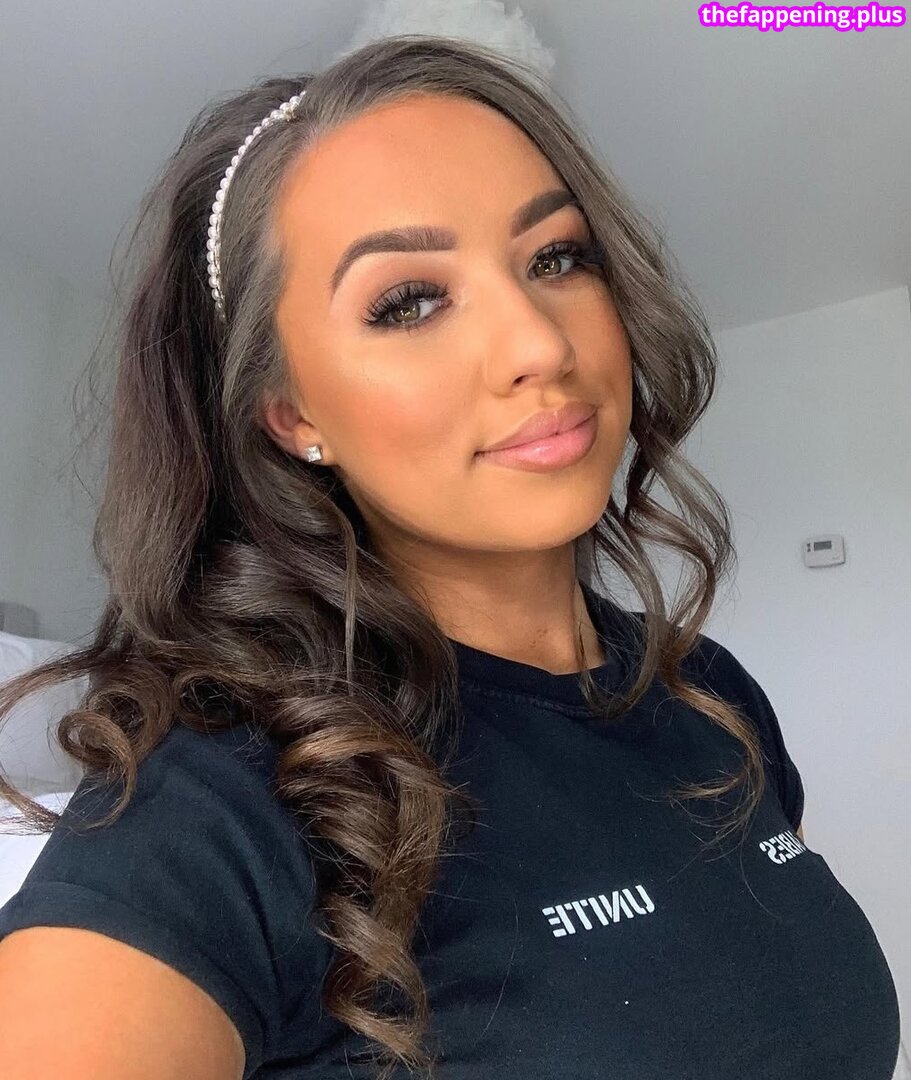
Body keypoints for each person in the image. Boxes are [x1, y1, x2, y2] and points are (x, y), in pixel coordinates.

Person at [0, 33, 900, 1080]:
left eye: (556, 258)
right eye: (408, 303)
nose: (539, 345)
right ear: (292, 413)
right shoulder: (223, 800)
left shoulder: (709, 693)